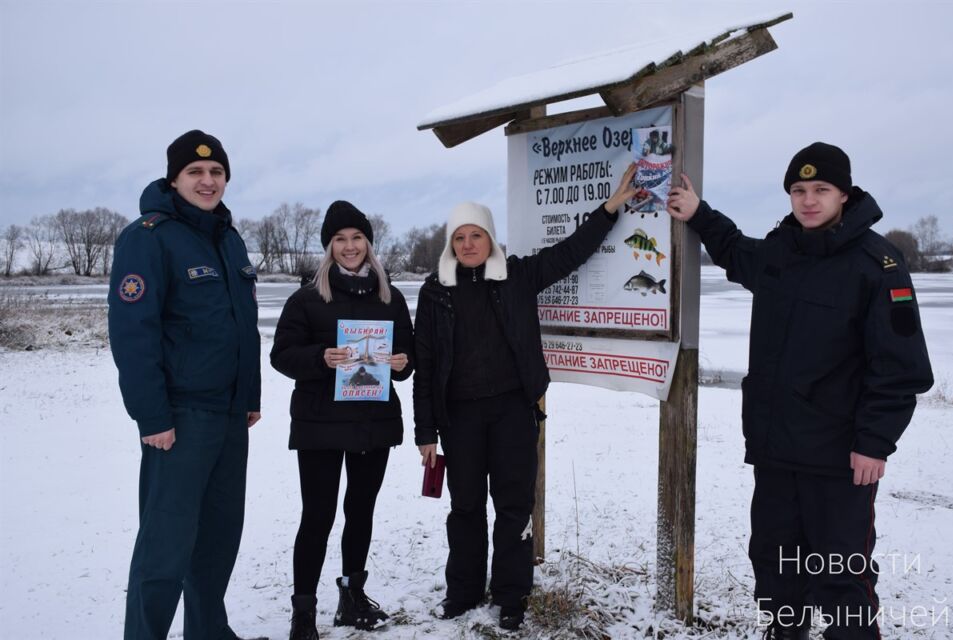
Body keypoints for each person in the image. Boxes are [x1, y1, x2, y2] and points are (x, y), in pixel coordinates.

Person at [666, 142, 934, 640]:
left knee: (841, 575)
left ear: (845, 195)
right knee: (775, 565)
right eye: (798, 190)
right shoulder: (779, 253)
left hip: (839, 457)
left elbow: (900, 368)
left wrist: (874, 442)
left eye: (821, 189)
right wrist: (699, 213)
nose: (808, 200)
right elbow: (733, 248)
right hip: (776, 452)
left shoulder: (877, 264)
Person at [413, 162, 642, 630]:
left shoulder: (517, 276)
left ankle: (511, 593)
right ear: (450, 244)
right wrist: (425, 432)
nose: (469, 245)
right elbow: (427, 366)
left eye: (476, 235)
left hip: (513, 412)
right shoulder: (435, 292)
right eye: (460, 238)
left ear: (491, 239)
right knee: (466, 507)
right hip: (460, 418)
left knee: (514, 506)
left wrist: (611, 208)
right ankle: (462, 591)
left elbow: (570, 253)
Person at [108, 130, 264, 640]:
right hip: (180, 418)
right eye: (195, 172)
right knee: (165, 546)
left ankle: (208, 632)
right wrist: (152, 418)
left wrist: (250, 397)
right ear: (174, 178)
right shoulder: (148, 236)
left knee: (218, 539)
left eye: (216, 172)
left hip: (228, 415)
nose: (207, 180)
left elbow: (242, 323)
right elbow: (133, 335)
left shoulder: (229, 237)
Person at [270, 201, 414, 638]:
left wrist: (402, 362)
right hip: (320, 426)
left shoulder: (391, 297)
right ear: (329, 247)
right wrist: (321, 357)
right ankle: (304, 612)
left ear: (368, 244)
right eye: (340, 239)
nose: (349, 247)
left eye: (356, 238)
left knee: (361, 512)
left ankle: (351, 597)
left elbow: (409, 361)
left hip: (374, 422)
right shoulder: (307, 299)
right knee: (317, 515)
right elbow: (281, 356)